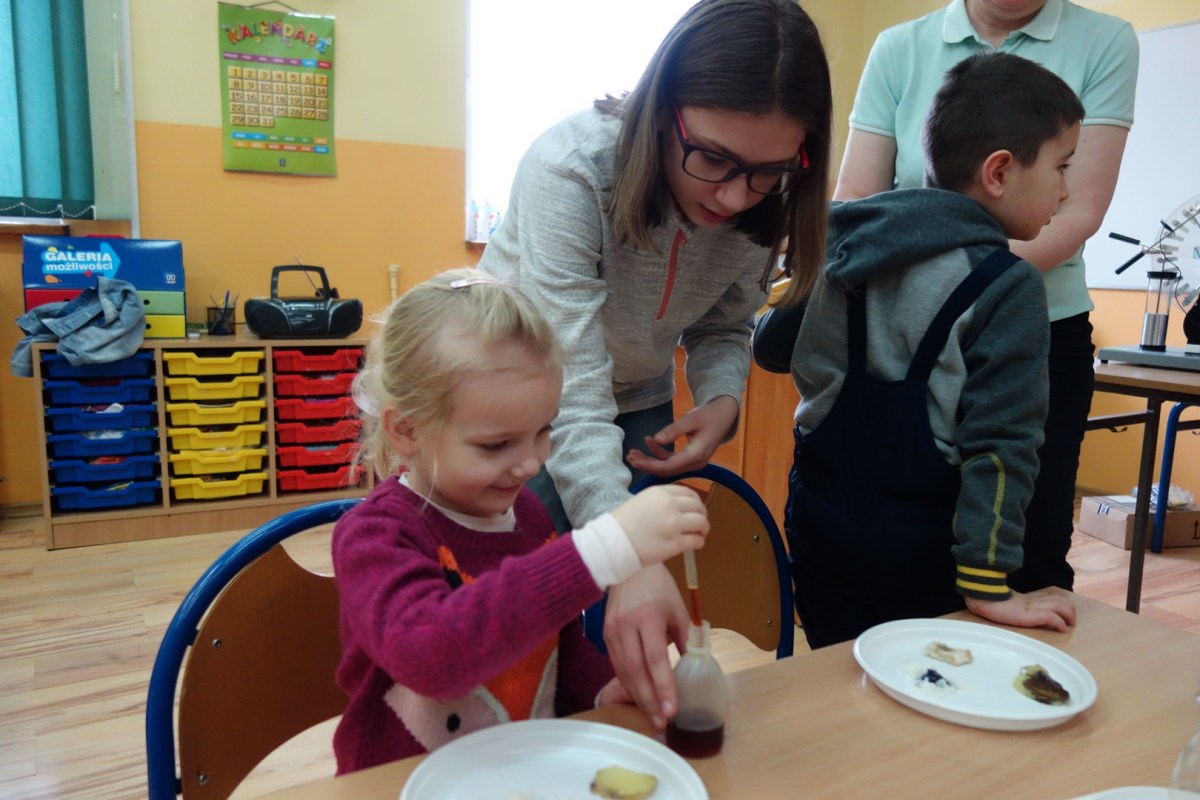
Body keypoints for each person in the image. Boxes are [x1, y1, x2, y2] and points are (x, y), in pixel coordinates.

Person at [478, 0, 832, 728]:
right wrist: (629, 553)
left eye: (767, 172)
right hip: (518, 401)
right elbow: (571, 386)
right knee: (513, 615)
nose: (734, 196)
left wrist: (723, 400)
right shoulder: (571, 168)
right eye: (713, 159)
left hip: (638, 394)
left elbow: (724, 324)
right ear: (661, 111)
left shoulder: (768, 198)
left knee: (624, 621)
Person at [754, 51, 1082, 648]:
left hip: (818, 526)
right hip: (924, 549)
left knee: (838, 669)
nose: (1065, 191)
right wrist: (987, 583)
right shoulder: (1007, 285)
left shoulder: (842, 243)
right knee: (921, 683)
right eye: (1061, 167)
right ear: (999, 172)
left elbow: (771, 349)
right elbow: (1002, 447)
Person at [330, 268, 710, 773]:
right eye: (496, 445)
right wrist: (604, 547)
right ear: (407, 431)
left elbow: (557, 644)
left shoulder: (526, 514)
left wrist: (600, 690)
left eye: (542, 431)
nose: (531, 464)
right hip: (399, 784)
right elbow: (430, 656)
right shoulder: (375, 536)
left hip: (517, 773)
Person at [832, 0, 1139, 594]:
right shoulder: (900, 46)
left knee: (1027, 549)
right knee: (900, 534)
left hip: (1038, 328)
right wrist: (943, 290)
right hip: (902, 333)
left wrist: (957, 285)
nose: (1061, 185)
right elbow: (856, 198)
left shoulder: (1105, 40)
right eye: (1059, 168)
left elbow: (1079, 210)